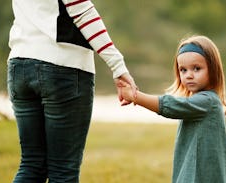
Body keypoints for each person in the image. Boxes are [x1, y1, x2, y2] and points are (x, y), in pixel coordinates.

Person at [7, 0, 136, 182]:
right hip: (62, 65)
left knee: (31, 165)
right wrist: (117, 66)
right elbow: (83, 12)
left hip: (19, 64)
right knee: (63, 171)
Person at [119, 35, 226, 183]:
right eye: (183, 70)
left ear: (213, 68)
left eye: (197, 68)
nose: (189, 75)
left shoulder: (208, 101)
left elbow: (171, 106)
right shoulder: (200, 101)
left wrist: (135, 96)